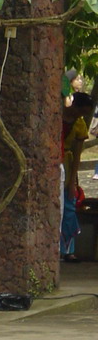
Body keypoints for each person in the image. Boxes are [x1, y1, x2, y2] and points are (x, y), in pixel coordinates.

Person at [62, 92, 93, 260]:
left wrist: (73, 180)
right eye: (82, 111)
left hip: (67, 162)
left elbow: (78, 154)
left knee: (69, 205)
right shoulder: (57, 116)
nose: (82, 116)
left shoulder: (80, 125)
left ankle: (68, 250)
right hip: (55, 159)